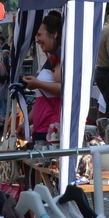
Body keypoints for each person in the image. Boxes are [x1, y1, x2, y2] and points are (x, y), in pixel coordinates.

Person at [22, 13, 63, 142]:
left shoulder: (58, 57)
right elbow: (42, 99)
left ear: (54, 34)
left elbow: (64, 89)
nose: (37, 39)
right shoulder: (53, 58)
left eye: (39, 35)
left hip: (51, 129)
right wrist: (26, 123)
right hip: (43, 129)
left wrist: (38, 84)